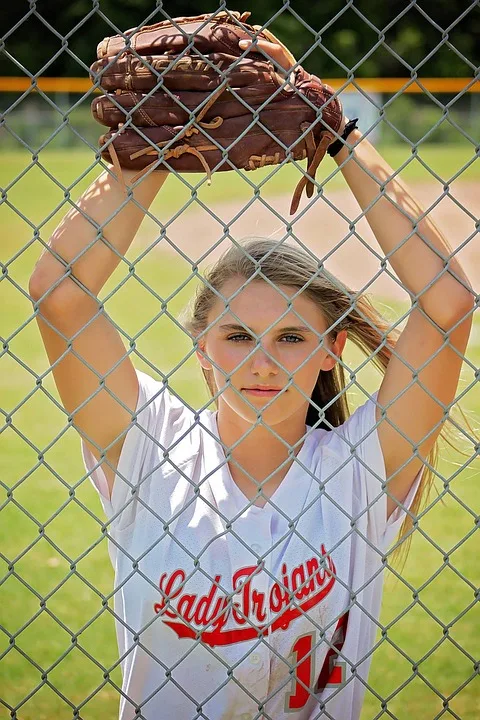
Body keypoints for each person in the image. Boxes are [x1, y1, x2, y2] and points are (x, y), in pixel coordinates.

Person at [29, 36, 474, 720]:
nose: (263, 361)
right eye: (237, 336)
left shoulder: (359, 470)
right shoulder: (154, 445)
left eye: (292, 338)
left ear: (331, 351)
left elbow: (447, 306)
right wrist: (154, 145)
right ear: (202, 349)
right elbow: (60, 293)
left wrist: (337, 132)